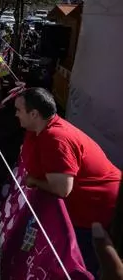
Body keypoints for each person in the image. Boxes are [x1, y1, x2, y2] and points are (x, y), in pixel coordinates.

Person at [15, 88, 122, 276]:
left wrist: (33, 181)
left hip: (97, 210)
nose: (16, 114)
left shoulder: (55, 138)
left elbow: (62, 189)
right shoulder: (40, 129)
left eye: (19, 110)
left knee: (85, 262)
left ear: (34, 114)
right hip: (87, 208)